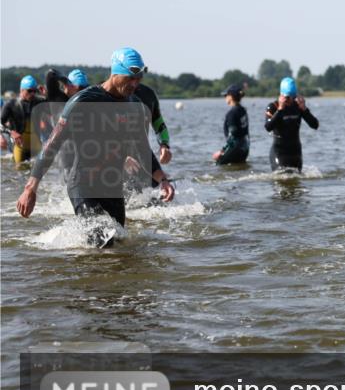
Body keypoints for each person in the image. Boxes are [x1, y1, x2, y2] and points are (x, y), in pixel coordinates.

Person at [16, 48, 175, 245]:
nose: (135, 84)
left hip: (112, 189)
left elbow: (142, 148)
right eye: (130, 78)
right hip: (83, 185)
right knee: (101, 239)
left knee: (119, 246)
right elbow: (52, 143)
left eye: (139, 78)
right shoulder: (84, 100)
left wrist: (163, 180)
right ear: (115, 73)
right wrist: (31, 187)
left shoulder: (134, 105)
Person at [264, 76, 318, 171]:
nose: (290, 101)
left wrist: (304, 109)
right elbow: (268, 127)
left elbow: (315, 125)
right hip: (279, 152)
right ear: (281, 95)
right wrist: (280, 110)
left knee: (296, 182)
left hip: (296, 152)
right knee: (281, 179)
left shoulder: (298, 106)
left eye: (293, 97)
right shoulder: (273, 107)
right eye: (287, 98)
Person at [1, 76, 46, 165]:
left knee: (39, 173)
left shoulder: (39, 102)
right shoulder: (11, 104)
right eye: (29, 91)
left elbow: (55, 107)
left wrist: (45, 94)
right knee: (19, 171)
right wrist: (11, 132)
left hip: (35, 144)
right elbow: (1, 123)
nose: (32, 93)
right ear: (22, 90)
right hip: (19, 145)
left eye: (34, 91)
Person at [213, 84, 250, 165]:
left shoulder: (231, 113)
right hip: (245, 147)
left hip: (235, 147)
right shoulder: (243, 110)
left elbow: (233, 135)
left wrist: (222, 151)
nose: (225, 98)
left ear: (231, 97)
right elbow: (246, 132)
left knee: (218, 165)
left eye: (226, 95)